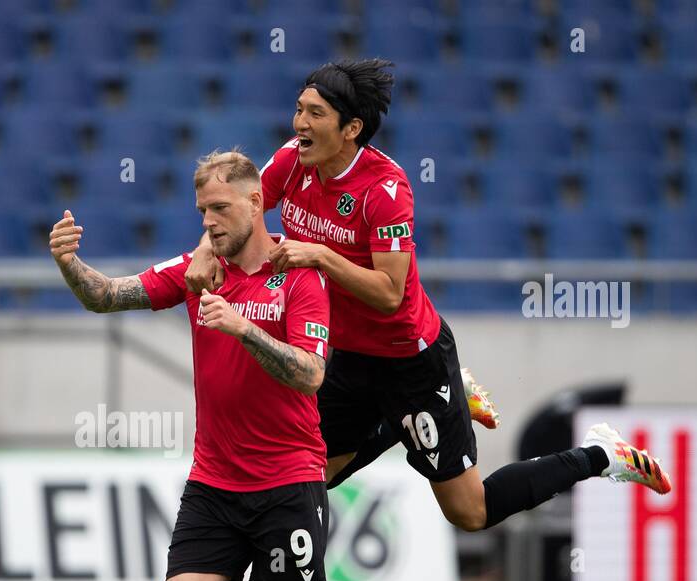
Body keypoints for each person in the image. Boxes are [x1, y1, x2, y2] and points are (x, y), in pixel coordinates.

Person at [186, 59, 672, 527]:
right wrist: (206, 248)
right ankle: (402, 421)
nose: (299, 123)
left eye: (315, 114)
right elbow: (241, 210)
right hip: (352, 358)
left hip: (410, 360)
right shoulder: (292, 162)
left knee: (470, 512)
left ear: (351, 128)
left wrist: (321, 255)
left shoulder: (385, 188)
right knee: (309, 472)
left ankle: (601, 455)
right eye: (298, 109)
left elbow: (389, 294)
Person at [49, 149, 370, 581]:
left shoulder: (299, 274)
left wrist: (242, 328)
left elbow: (310, 373)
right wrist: (69, 264)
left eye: (221, 207)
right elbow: (108, 297)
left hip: (288, 478)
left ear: (257, 203)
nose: (210, 221)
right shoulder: (197, 273)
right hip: (216, 479)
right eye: (202, 210)